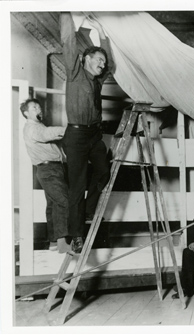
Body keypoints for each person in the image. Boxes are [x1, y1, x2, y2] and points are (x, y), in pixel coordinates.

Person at [60, 12, 114, 252]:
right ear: (85, 60)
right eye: (98, 60)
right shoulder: (74, 72)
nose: (102, 64)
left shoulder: (97, 81)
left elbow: (111, 63)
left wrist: (102, 35)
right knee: (77, 186)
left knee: (104, 172)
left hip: (94, 135)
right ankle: (77, 234)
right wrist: (68, 16)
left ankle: (89, 209)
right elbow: (67, 41)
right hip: (76, 137)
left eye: (102, 61)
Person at [20, 99, 74, 254]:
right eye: (34, 107)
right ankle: (62, 243)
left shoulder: (37, 126)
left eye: (39, 106)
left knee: (53, 205)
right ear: (26, 113)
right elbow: (45, 134)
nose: (39, 109)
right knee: (64, 201)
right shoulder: (32, 128)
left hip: (51, 169)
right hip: (49, 169)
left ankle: (53, 242)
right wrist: (69, 130)